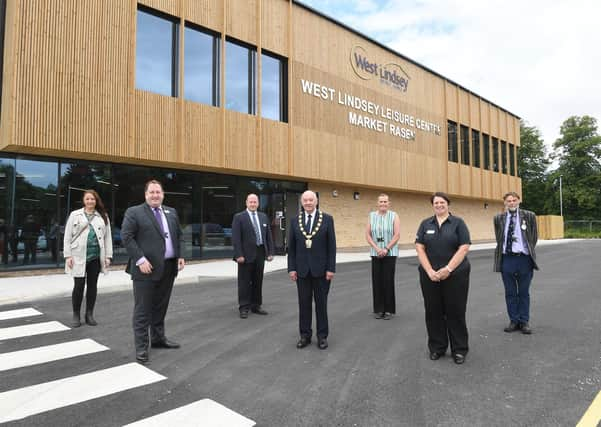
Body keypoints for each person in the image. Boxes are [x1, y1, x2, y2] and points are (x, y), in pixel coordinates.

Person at [121, 180, 185, 364]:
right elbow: (127, 237)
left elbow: (178, 235)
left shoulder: (171, 212)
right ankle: (142, 348)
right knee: (143, 310)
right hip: (145, 270)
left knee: (160, 307)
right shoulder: (134, 212)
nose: (155, 195)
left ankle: (158, 339)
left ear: (163, 194)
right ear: (146, 194)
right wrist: (140, 259)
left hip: (168, 268)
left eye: (158, 192)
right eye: (152, 192)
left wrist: (180, 255)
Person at [415, 192, 471, 365]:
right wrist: (430, 270)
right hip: (430, 276)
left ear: (448, 204)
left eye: (442, 202)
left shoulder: (458, 223)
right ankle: (437, 347)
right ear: (433, 205)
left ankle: (459, 349)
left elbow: (464, 247)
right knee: (433, 312)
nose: (439, 205)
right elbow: (419, 247)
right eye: (436, 203)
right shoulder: (425, 224)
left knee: (455, 312)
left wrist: (448, 269)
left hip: (456, 275)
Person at [288, 190, 336, 350]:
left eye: (311, 200)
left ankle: (322, 336)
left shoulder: (327, 219)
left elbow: (332, 247)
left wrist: (331, 268)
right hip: (301, 270)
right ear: (302, 202)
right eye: (305, 200)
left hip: (321, 271)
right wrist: (291, 268)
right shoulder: (295, 221)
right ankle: (305, 335)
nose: (308, 203)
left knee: (321, 304)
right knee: (304, 304)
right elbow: (292, 248)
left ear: (316, 201)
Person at [63, 190, 113, 327]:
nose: (90, 201)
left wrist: (108, 256)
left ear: (96, 201)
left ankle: (89, 314)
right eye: (88, 199)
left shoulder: (103, 216)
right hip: (78, 256)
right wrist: (67, 256)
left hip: (96, 257)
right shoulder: (75, 215)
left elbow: (108, 238)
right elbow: (67, 236)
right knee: (78, 286)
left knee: (92, 287)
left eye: (93, 199)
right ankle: (76, 315)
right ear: (84, 201)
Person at [493, 191, 538, 335]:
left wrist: (525, 250)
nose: (511, 203)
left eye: (514, 200)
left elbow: (534, 237)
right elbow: (499, 238)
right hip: (507, 259)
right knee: (510, 292)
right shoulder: (498, 218)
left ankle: (524, 321)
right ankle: (513, 320)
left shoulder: (529, 216)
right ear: (505, 203)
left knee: (524, 292)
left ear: (519, 201)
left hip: (524, 258)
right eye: (508, 201)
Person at [231, 193, 275, 318]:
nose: (253, 204)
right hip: (245, 255)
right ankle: (244, 307)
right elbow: (236, 238)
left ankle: (256, 305)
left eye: (255, 202)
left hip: (260, 253)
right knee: (244, 281)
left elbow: (268, 236)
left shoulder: (263, 217)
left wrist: (270, 252)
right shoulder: (239, 217)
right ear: (246, 203)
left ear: (258, 203)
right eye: (251, 202)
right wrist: (239, 254)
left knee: (258, 280)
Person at [366, 193, 401, 320]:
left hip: (390, 253)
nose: (383, 204)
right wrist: (377, 249)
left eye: (385, 202)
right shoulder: (371, 216)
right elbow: (368, 235)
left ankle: (389, 310)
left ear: (389, 203)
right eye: (381, 202)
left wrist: (386, 249)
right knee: (377, 281)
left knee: (388, 281)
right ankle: (379, 309)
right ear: (377, 203)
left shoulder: (394, 216)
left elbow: (397, 235)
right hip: (376, 253)